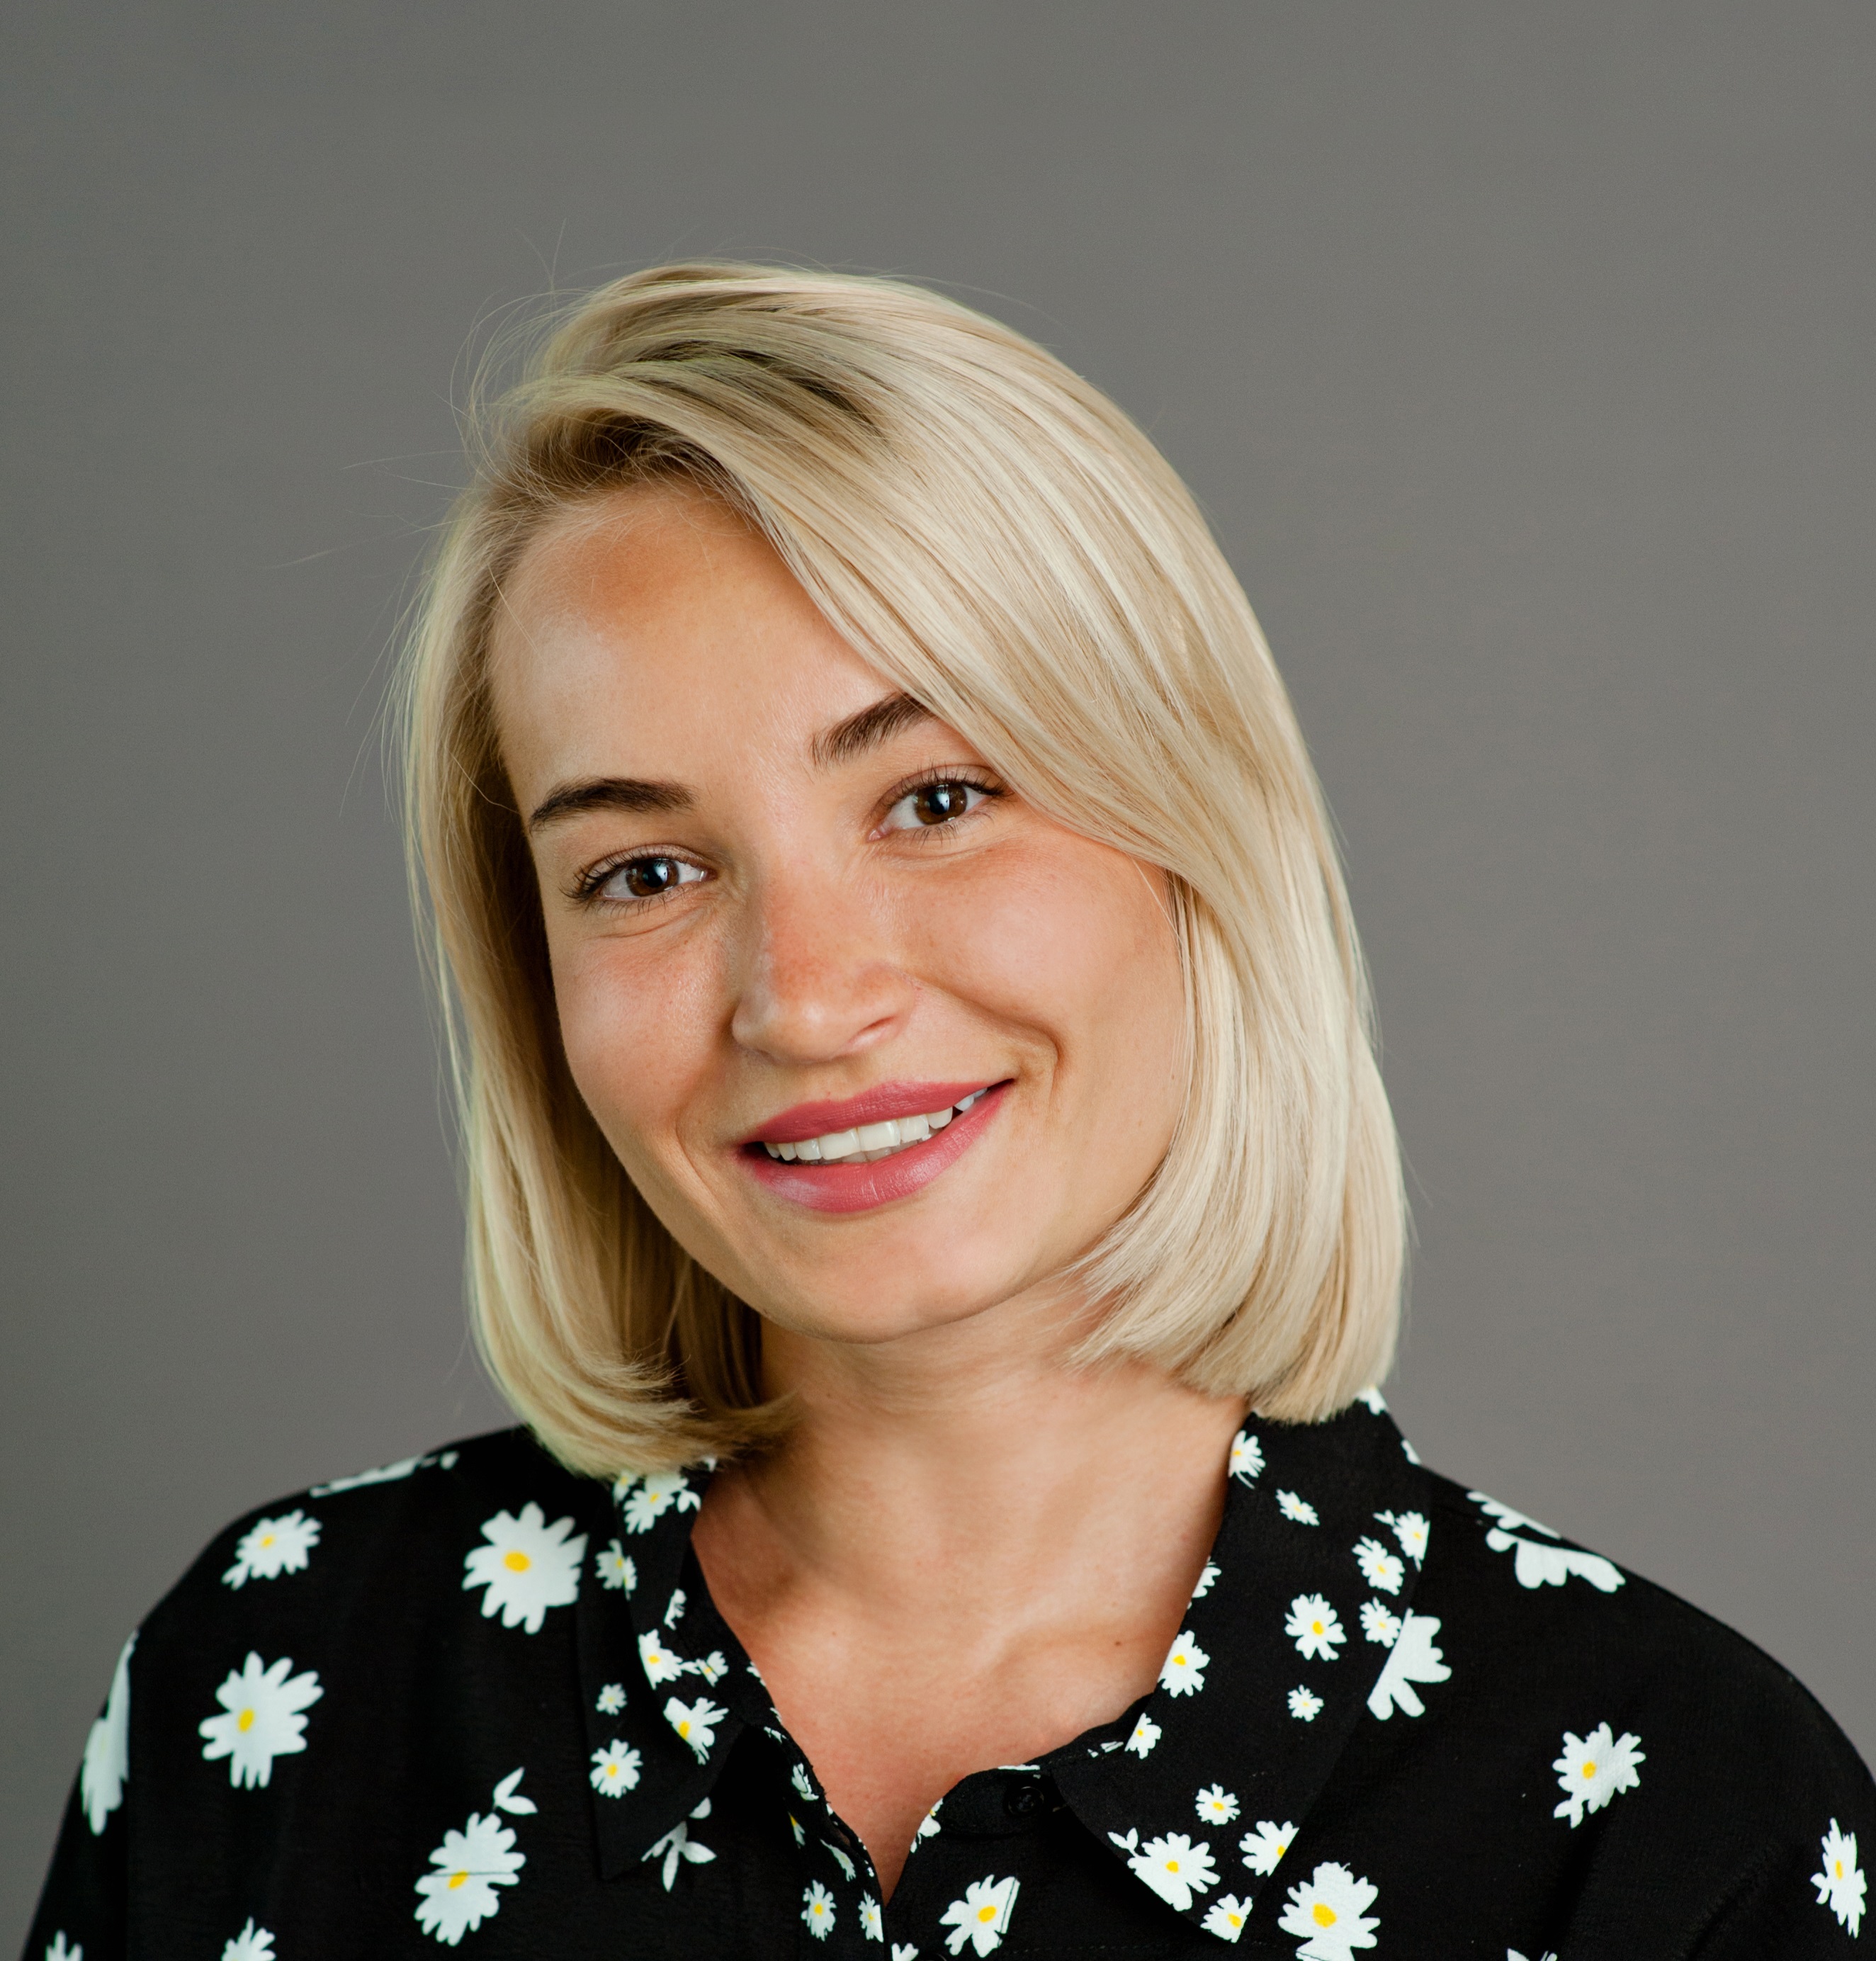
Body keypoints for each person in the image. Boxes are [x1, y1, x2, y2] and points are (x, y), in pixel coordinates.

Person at [26, 264, 1871, 1960]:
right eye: (647, 872)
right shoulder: (278, 1686)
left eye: (936, 799)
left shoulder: (1674, 1827)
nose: (803, 998)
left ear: (1197, 844)